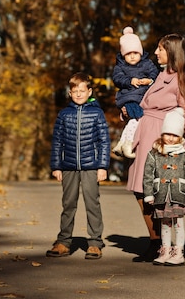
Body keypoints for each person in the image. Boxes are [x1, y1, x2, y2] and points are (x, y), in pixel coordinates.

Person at [126, 33, 185, 261]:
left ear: (172, 51)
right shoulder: (160, 75)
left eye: (160, 49)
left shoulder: (181, 78)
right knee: (141, 190)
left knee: (151, 189)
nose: (155, 52)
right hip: (144, 132)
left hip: (159, 137)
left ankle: (159, 243)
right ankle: (156, 241)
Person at [46, 72, 111, 260]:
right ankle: (64, 241)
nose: (79, 94)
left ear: (89, 91)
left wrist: (102, 166)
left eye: (83, 91)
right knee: (68, 204)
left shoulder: (97, 113)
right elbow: (57, 141)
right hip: (68, 166)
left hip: (91, 166)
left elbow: (104, 141)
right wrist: (56, 166)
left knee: (92, 203)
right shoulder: (64, 114)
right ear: (70, 93)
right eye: (75, 91)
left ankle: (95, 243)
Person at [143, 107, 185, 266]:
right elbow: (148, 175)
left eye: (175, 135)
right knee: (164, 223)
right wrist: (149, 194)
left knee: (178, 223)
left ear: (180, 136)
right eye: (168, 134)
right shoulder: (154, 153)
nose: (171, 138)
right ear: (162, 133)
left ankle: (179, 251)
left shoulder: (184, 153)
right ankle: (165, 250)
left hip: (178, 194)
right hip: (161, 193)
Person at [112, 26, 159, 159]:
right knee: (137, 117)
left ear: (141, 53)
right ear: (123, 55)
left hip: (142, 97)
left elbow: (155, 74)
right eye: (128, 54)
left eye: (135, 53)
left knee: (134, 120)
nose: (132, 57)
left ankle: (122, 141)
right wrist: (129, 81)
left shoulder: (147, 63)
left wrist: (149, 81)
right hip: (128, 97)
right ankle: (128, 143)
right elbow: (117, 78)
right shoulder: (120, 66)